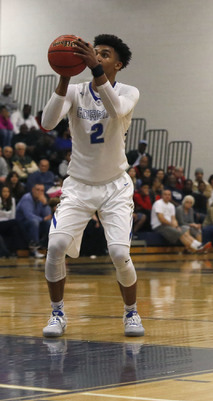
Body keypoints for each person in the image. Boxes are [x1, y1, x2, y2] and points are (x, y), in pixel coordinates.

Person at [39, 34, 145, 338]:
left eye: (105, 54)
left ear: (118, 64)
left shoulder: (128, 91)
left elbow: (115, 111)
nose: (97, 57)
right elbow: (47, 123)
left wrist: (95, 71)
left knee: (118, 253)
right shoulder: (74, 91)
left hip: (115, 186)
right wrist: (63, 77)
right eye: (94, 52)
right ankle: (57, 313)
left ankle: (131, 313)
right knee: (56, 246)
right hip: (79, 185)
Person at [16, 183, 51, 258]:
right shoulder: (27, 198)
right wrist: (42, 219)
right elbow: (29, 216)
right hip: (22, 223)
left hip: (36, 221)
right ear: (32, 190)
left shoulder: (42, 199)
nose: (40, 192)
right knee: (34, 222)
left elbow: (48, 216)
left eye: (42, 190)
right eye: (37, 190)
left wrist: (45, 204)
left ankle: (44, 246)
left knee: (49, 223)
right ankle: (34, 250)